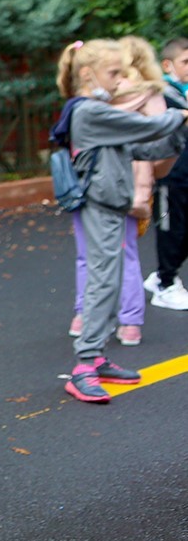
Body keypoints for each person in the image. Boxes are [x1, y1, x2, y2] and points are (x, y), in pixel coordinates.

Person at [50, 40, 188, 403]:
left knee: (108, 280)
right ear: (87, 74)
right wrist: (179, 116)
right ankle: (83, 367)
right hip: (101, 205)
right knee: (102, 281)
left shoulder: (98, 111)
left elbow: (145, 148)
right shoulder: (88, 112)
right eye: (114, 74)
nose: (119, 81)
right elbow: (144, 127)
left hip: (112, 205)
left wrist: (176, 133)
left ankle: (95, 356)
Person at [66, 36, 166, 344]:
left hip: (98, 192)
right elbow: (156, 146)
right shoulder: (101, 105)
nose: (119, 80)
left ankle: (97, 322)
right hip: (111, 191)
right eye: (114, 73)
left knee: (99, 257)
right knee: (117, 256)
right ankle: (120, 322)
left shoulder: (103, 103)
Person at [144, 36, 188, 311]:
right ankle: (165, 283)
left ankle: (162, 277)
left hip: (185, 175)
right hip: (168, 177)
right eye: (186, 62)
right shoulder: (160, 95)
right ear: (167, 64)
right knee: (170, 229)